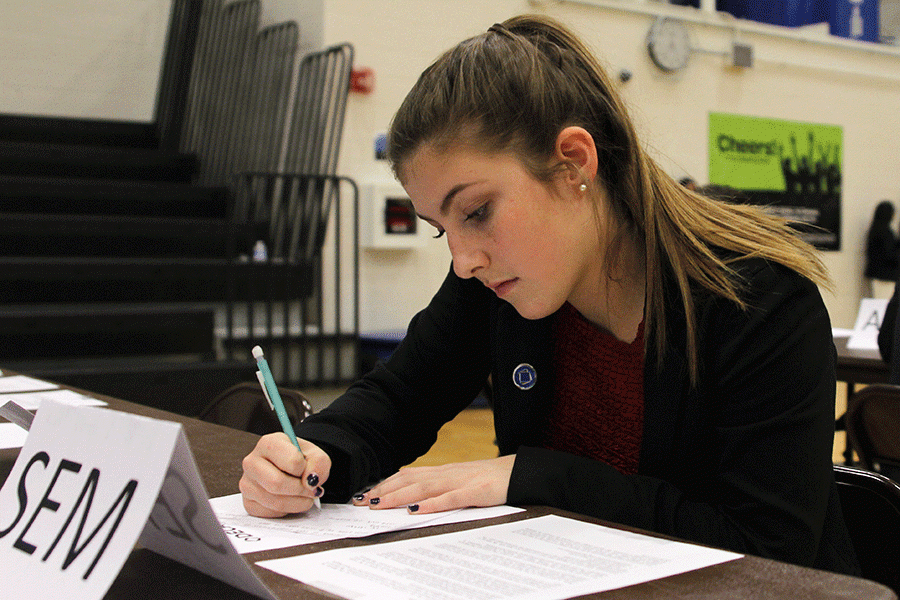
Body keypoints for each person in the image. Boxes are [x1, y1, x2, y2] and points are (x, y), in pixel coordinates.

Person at [240, 15, 858, 575]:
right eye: (442, 230)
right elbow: (399, 396)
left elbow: (767, 547)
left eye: (477, 211)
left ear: (573, 163)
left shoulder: (760, 301)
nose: (463, 259)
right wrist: (318, 453)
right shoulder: (492, 284)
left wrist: (534, 478)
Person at [864, 200, 899, 299]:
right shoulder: (885, 233)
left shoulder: (875, 230)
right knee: (884, 304)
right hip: (885, 277)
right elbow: (890, 255)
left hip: (878, 275)